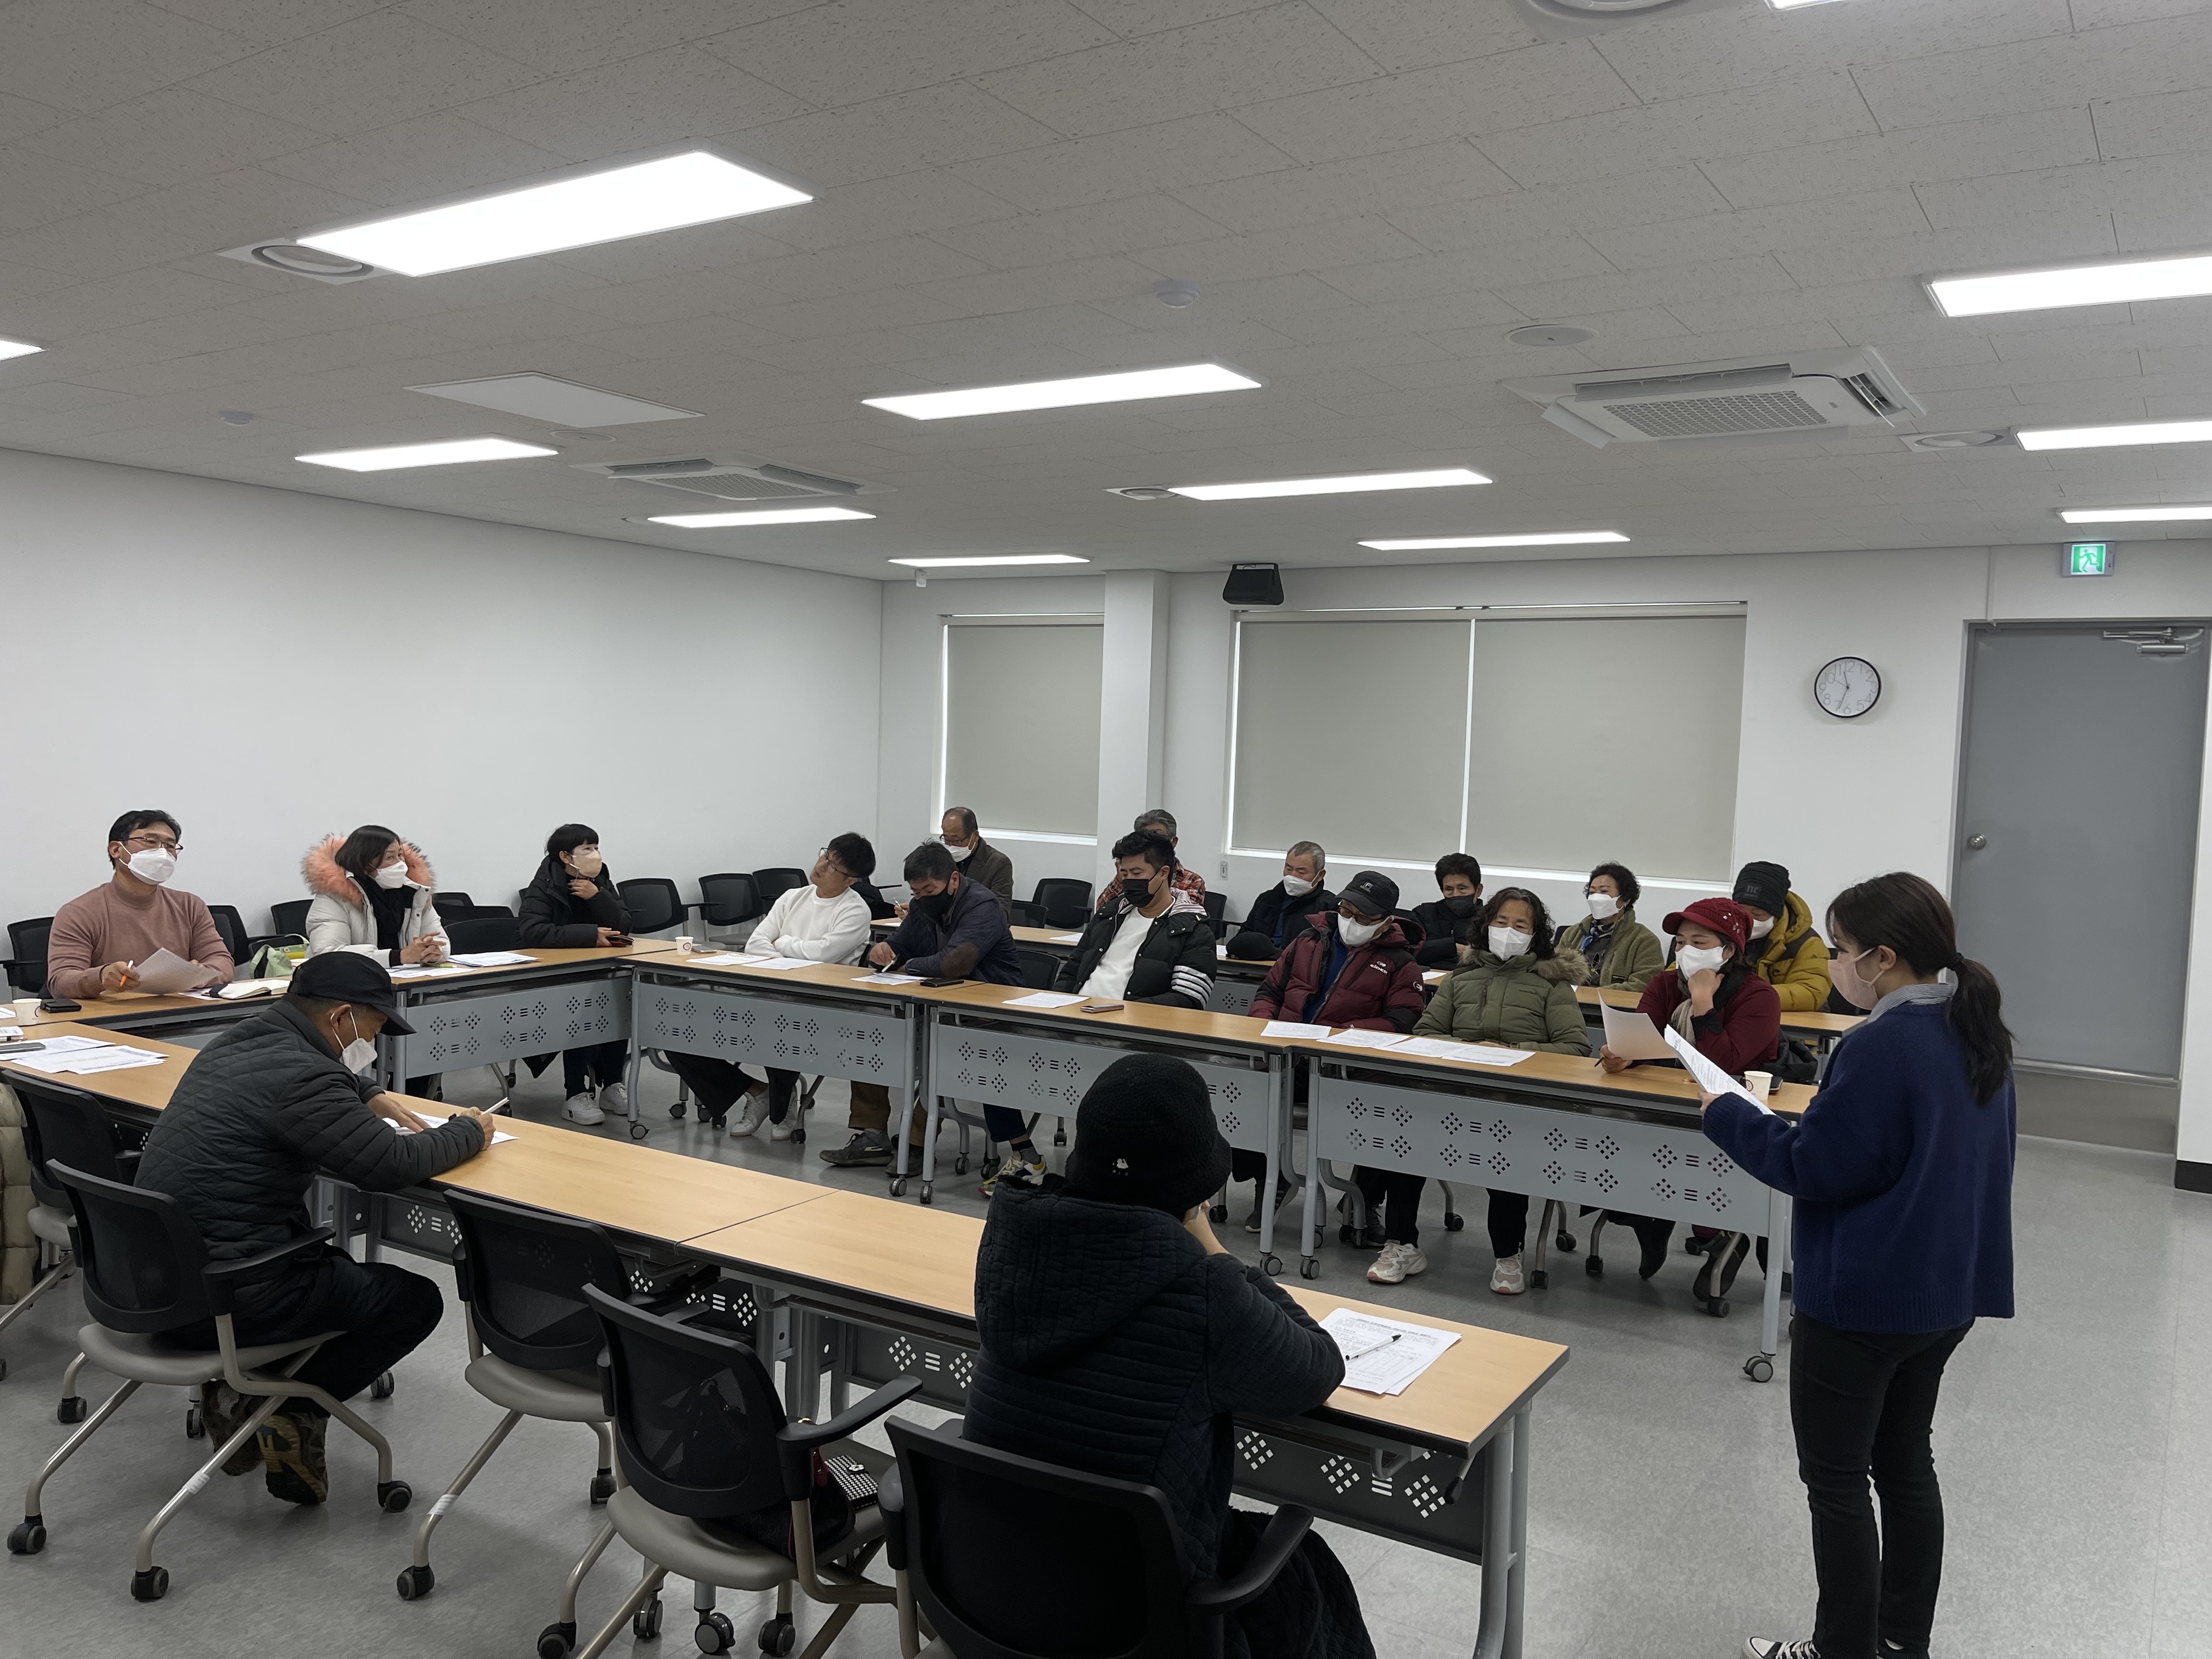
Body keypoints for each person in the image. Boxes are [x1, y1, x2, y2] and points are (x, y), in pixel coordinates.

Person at [964, 1053, 1375, 1659]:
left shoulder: (1013, 1245)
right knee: (1307, 1575)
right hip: (1131, 1622)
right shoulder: (1202, 1291)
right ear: (1195, 1188)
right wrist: (1212, 1248)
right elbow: (1317, 1369)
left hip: (991, 1593)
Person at [1702, 873, 2015, 1659]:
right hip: (1946, 1291)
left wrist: (1728, 1114)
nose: (1836, 963)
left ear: (1883, 958)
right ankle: (1902, 1642)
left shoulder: (1882, 1044)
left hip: (1865, 1299)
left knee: (1837, 1481)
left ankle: (1841, 1649)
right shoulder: (1975, 1027)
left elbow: (1814, 1166)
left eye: (1841, 950)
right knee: (1906, 1466)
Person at [134, 953, 493, 1505]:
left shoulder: (239, 1040)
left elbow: (301, 1078)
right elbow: (390, 1164)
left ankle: (244, 1393)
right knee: (411, 1301)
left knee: (336, 1270)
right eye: (372, 1028)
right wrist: (468, 1131)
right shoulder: (305, 1077)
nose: (371, 1041)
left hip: (155, 1285)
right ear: (340, 1017)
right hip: (228, 1298)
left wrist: (364, 1090)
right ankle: (285, 1409)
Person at [1402, 887, 1590, 1293]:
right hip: (1454, 1094)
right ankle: (1401, 1245)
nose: (1509, 932)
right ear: (1486, 927)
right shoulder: (1461, 978)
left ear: (1536, 935)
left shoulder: (1551, 985)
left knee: (1506, 1163)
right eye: (1501, 923)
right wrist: (1469, 1051)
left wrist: (1511, 1052)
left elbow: (1575, 1048)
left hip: (1516, 1101)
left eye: (1520, 925)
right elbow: (1426, 1033)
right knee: (1405, 1148)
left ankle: (1508, 1255)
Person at [1599, 896, 1782, 1291]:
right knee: (1624, 1145)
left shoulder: (1759, 997)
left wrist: (1702, 1002)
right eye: (1680, 942)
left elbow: (1721, 1065)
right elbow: (1643, 1038)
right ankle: (1650, 1220)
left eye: (1699, 943)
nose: (1684, 951)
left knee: (1702, 1171)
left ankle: (1720, 1238)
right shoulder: (1665, 984)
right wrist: (1622, 1056)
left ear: (1728, 951)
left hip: (1730, 1113)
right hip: (1666, 1106)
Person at [1251, 872, 1425, 1239]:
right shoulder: (1308, 940)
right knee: (1236, 1089)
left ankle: (1364, 1201)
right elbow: (1269, 992)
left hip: (1348, 1070)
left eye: (1364, 917)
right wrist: (1264, 1029)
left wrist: (1345, 1035)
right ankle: (1272, 1180)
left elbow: (1403, 1021)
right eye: (1347, 910)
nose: (1352, 921)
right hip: (1289, 1057)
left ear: (1385, 922)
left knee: (1392, 1113)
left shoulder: (1400, 963)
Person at [670, 836, 879, 1142]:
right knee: (678, 1031)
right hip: (765, 989)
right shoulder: (793, 897)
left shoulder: (855, 911)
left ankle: (781, 1103)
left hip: (815, 1003)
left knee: (779, 1023)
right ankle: (757, 1091)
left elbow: (823, 956)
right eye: (825, 856)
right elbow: (755, 943)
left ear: (850, 880)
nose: (822, 866)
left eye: (833, 866)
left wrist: (782, 943)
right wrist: (792, 952)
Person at [856, 842, 1029, 1183]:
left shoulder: (982, 905)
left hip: (990, 1010)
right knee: (872, 1037)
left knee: (941, 1057)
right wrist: (884, 950)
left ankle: (917, 1145)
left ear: (953, 880)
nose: (922, 898)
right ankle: (872, 1135)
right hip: (940, 1004)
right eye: (916, 892)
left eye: (929, 890)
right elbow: (902, 943)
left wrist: (908, 967)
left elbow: (955, 963)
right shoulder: (925, 904)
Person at [44, 809, 234, 999]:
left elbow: (221, 961)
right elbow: (61, 982)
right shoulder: (79, 912)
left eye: (170, 846)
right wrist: (101, 977)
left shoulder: (190, 906)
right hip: (112, 1014)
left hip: (180, 1010)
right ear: (116, 850)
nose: (162, 852)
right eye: (150, 841)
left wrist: (201, 974)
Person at [517, 823, 634, 1126]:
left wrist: (597, 897)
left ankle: (612, 1085)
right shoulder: (545, 884)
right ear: (565, 856)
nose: (595, 854)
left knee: (618, 1007)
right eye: (587, 849)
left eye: (596, 847)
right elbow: (533, 932)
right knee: (582, 1011)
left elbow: (623, 924)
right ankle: (575, 1093)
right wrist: (589, 935)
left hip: (600, 968)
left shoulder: (600, 879)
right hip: (556, 976)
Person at [1056, 830, 1217, 1009]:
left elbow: (1189, 1000)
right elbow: (1071, 971)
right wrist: (1059, 1006)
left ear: (1163, 873)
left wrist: (1126, 1013)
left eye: (1137, 873)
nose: (1129, 881)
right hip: (1077, 1013)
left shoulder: (1193, 930)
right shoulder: (1109, 915)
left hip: (1131, 1021)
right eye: (1125, 874)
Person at [302, 826, 449, 967]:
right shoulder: (334, 899)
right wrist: (398, 957)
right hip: (343, 981)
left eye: (400, 855)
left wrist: (432, 952)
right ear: (365, 864)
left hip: (403, 980)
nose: (400, 864)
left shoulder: (415, 893)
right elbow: (329, 953)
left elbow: (441, 941)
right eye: (390, 857)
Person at [1734, 859, 1833, 1012]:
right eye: (1740, 912)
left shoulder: (1807, 943)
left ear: (1777, 914)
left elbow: (1811, 991)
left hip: (1795, 1022)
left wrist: (1751, 997)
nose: (1748, 920)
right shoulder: (1723, 935)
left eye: (1757, 914)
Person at [1554, 861, 1662, 992]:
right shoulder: (1573, 934)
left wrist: (1593, 994)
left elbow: (1643, 985)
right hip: (1570, 1001)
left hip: (1616, 1004)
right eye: (1592, 892)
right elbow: (1554, 974)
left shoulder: (1645, 941)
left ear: (1626, 899)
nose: (1596, 897)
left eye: (1604, 891)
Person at [1226, 841, 1335, 960]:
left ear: (1320, 875)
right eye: (1289, 869)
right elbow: (1243, 938)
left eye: (1301, 872)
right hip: (1258, 965)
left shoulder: (1329, 908)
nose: (1292, 876)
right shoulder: (1267, 900)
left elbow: (1328, 953)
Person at [1096, 809, 1207, 912]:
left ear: (1174, 842)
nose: (1152, 845)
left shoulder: (1192, 881)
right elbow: (1101, 911)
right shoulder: (1128, 874)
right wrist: (1120, 881)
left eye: (1159, 838)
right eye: (1146, 839)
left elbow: (1186, 918)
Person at [1407, 852, 1483, 969]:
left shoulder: (1489, 920)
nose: (1456, 894)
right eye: (1449, 889)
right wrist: (1452, 948)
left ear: (1478, 890)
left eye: (1462, 888)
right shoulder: (1424, 914)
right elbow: (1408, 952)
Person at [939, 806, 1014, 916]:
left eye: (957, 841)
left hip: (979, 923)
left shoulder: (999, 864)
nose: (951, 846)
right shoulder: (941, 860)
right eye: (947, 840)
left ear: (975, 836)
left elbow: (1001, 912)